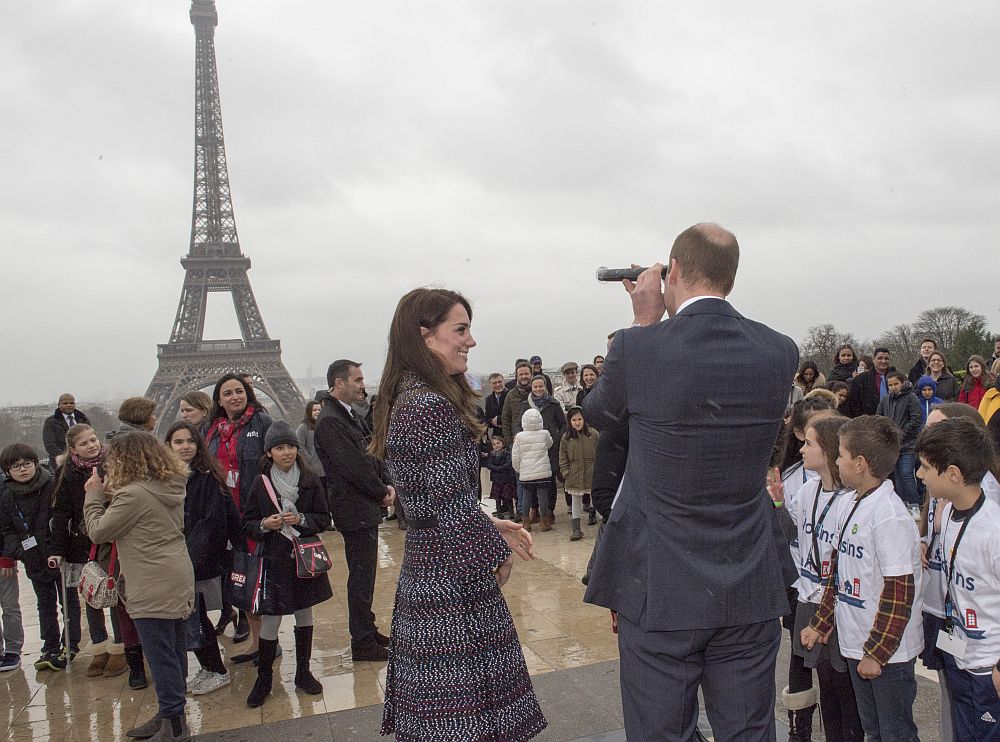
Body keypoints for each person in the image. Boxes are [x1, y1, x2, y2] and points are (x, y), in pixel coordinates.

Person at [583, 223, 798, 740]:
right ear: (730, 276)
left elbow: (599, 414)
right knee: (749, 729)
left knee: (660, 730)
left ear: (672, 271)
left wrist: (644, 318)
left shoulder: (640, 347)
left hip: (661, 582)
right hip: (747, 576)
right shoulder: (779, 350)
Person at [369, 287, 545, 741]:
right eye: (461, 330)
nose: (470, 341)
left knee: (443, 713)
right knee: (467, 712)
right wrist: (495, 552)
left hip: (428, 564)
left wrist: (488, 522)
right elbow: (451, 507)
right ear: (427, 337)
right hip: (451, 577)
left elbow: (434, 501)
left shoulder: (406, 397)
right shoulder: (430, 405)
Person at [801, 416, 922, 742]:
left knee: (895, 733)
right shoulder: (851, 503)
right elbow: (837, 574)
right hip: (855, 644)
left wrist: (877, 652)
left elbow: (899, 592)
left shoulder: (889, 516)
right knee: (873, 732)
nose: (836, 460)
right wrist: (821, 623)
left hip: (886, 655)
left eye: (840, 454)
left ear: (860, 464)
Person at [83, 432, 194, 742]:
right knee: (173, 650)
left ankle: (173, 723)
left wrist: (93, 496)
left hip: (150, 580)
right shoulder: (168, 485)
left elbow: (98, 531)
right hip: (175, 573)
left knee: (160, 656)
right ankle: (170, 714)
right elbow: (142, 510)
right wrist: (112, 498)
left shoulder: (132, 495)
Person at [916, 418, 1000, 742]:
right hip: (959, 656)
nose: (919, 475)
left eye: (925, 467)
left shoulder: (993, 531)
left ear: (953, 474)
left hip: (988, 670)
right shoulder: (948, 513)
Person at [241, 421, 332, 708]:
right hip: (276, 559)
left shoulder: (309, 479)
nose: (287, 452)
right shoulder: (260, 483)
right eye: (279, 448)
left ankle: (303, 672)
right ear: (269, 452)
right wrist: (265, 525)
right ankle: (264, 678)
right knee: (272, 617)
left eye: (291, 446)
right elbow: (247, 523)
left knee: (305, 614)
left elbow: (323, 518)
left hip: (302, 558)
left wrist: (302, 519)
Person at [783, 415, 863, 742]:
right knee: (825, 684)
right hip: (809, 598)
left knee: (847, 693)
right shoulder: (805, 491)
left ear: (829, 451)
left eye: (809, 444)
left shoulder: (851, 500)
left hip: (838, 606)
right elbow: (797, 535)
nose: (802, 449)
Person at [314, 359, 394, 662]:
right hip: (354, 507)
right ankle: (361, 640)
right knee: (361, 575)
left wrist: (385, 483)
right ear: (339, 383)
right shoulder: (332, 421)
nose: (363, 385)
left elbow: (371, 452)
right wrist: (381, 490)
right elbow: (353, 466)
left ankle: (366, 628)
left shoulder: (345, 415)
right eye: (357, 380)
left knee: (366, 573)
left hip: (362, 505)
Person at [165, 422, 241, 697]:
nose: (185, 446)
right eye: (178, 442)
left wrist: (191, 560)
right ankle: (209, 667)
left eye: (190, 441)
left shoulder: (206, 478)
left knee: (194, 616)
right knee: (192, 616)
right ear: (169, 446)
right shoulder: (168, 478)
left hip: (196, 560)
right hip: (179, 557)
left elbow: (213, 522)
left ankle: (216, 669)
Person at [50, 424, 129, 679]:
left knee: (114, 595)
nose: (92, 445)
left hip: (109, 538)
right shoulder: (65, 473)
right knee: (91, 596)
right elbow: (60, 513)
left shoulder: (114, 463)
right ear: (73, 449)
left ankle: (120, 647)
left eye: (93, 440)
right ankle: (99, 647)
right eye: (84, 443)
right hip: (80, 544)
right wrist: (57, 549)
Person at [204, 373, 271, 651]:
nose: (235, 397)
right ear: (219, 400)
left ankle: (266, 642)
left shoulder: (262, 422)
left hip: (253, 513)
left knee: (256, 576)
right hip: (225, 513)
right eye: (228, 393)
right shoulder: (210, 430)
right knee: (239, 577)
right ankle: (258, 643)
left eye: (239, 391)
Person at [0, 444, 81, 671]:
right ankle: (50, 645)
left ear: (36, 463)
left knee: (68, 601)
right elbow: (8, 530)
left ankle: (70, 643)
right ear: (7, 471)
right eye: (15, 467)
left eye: (27, 464)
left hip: (59, 554)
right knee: (44, 604)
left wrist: (60, 547)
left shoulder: (53, 484)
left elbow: (65, 516)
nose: (23, 470)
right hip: (33, 557)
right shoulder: (7, 496)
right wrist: (21, 552)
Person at [876, 371, 923, 516]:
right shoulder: (885, 400)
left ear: (902, 383)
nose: (893, 387)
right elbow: (879, 417)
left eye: (896, 384)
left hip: (909, 444)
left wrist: (901, 434)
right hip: (892, 445)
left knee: (906, 473)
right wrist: (886, 434)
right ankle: (902, 503)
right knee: (896, 474)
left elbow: (916, 419)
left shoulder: (911, 398)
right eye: (890, 385)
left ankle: (914, 504)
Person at [528, 374, 565, 519]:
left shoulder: (553, 404)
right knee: (532, 480)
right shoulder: (526, 404)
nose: (538, 389)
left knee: (550, 480)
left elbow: (563, 424)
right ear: (531, 388)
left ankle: (550, 509)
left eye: (540, 386)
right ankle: (534, 508)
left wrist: (556, 438)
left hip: (551, 448)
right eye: (535, 386)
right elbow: (519, 423)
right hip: (533, 448)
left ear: (545, 387)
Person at [559, 407, 599, 540]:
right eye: (574, 420)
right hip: (574, 474)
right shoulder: (566, 437)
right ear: (569, 421)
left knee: (596, 496)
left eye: (580, 419)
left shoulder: (593, 434)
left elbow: (601, 452)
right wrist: (565, 472)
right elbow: (562, 456)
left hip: (592, 472)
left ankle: (596, 518)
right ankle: (576, 528)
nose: (577, 422)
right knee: (576, 500)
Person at [513, 408, 554, 534]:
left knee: (526, 498)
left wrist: (518, 469)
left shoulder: (519, 436)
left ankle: (525, 523)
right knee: (543, 498)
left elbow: (515, 456)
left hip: (526, 474)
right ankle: (544, 522)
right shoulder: (544, 433)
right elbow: (550, 444)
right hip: (543, 472)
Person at [41, 393, 90, 468]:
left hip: (84, 460)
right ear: (59, 405)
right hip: (60, 463)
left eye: (71, 403)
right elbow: (50, 445)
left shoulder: (83, 419)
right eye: (65, 403)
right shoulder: (51, 422)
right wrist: (65, 458)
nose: (69, 405)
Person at [844, 348, 893, 418]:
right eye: (880, 358)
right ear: (874, 360)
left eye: (886, 358)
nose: (883, 361)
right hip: (868, 422)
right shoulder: (860, 380)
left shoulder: (898, 378)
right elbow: (853, 404)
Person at [0, 514, 22, 672]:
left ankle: (13, 650)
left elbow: (8, 526)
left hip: (3, 561)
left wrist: (8, 556)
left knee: (9, 606)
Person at [485, 436, 517, 521]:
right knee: (497, 497)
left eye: (498, 443)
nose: (496, 445)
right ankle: (499, 513)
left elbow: (508, 463)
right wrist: (497, 468)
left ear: (503, 444)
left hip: (506, 478)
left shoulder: (507, 453)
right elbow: (489, 464)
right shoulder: (491, 455)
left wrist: (500, 468)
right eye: (494, 444)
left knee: (508, 496)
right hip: (496, 480)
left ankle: (511, 512)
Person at [295, 400, 324, 479]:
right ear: (309, 412)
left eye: (319, 410)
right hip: (312, 470)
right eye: (314, 410)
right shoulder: (303, 427)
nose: (317, 412)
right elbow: (299, 445)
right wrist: (310, 460)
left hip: (324, 469)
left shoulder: (323, 425)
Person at [484, 372, 508, 439]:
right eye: (494, 383)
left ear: (504, 382)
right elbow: (486, 418)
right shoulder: (488, 399)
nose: (497, 385)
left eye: (499, 382)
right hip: (497, 436)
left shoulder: (510, 395)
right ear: (490, 385)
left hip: (510, 433)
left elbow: (514, 414)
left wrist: (498, 420)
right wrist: (491, 421)